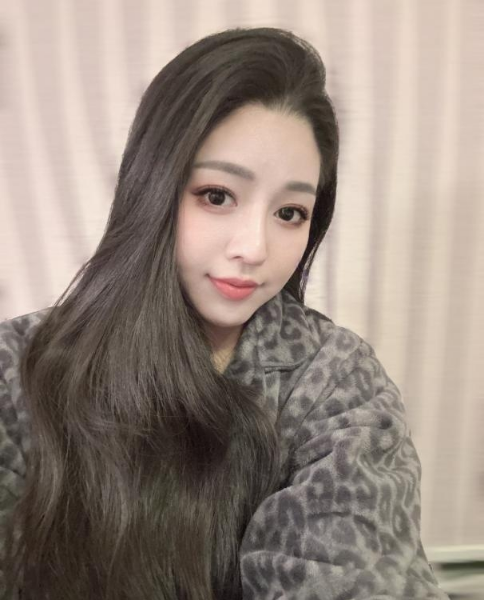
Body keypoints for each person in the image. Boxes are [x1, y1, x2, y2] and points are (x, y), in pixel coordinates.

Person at [0, 27, 448, 600]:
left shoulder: (334, 382)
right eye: (217, 196)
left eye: (290, 212)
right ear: (151, 188)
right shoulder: (20, 370)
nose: (254, 248)